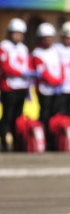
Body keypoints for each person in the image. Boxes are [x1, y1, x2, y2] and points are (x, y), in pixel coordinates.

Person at [0, 18, 32, 152]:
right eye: (15, 33)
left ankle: (16, 143)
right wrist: (21, 73)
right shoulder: (3, 47)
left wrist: (30, 73)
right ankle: (5, 143)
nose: (18, 36)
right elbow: (5, 67)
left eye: (20, 33)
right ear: (10, 33)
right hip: (9, 87)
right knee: (7, 116)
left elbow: (29, 64)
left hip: (22, 87)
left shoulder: (24, 48)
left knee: (18, 117)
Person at [31, 23, 64, 150]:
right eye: (45, 38)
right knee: (44, 116)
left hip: (56, 90)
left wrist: (61, 80)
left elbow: (60, 67)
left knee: (55, 117)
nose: (48, 40)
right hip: (44, 91)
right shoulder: (37, 53)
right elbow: (42, 72)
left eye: (49, 37)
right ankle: (44, 141)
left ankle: (54, 141)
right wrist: (55, 81)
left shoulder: (55, 51)